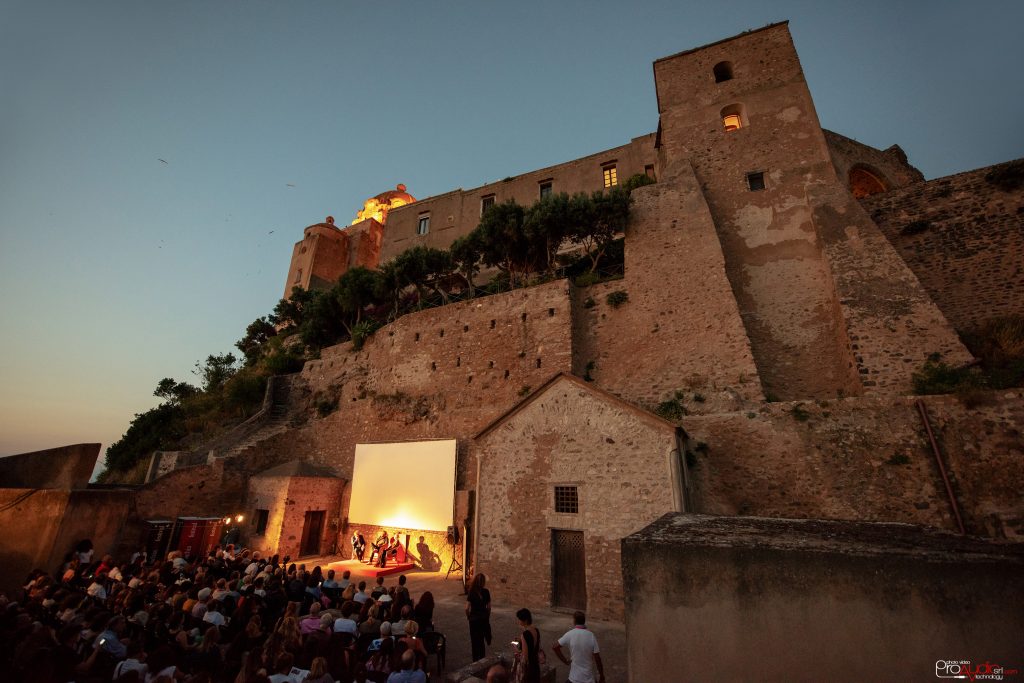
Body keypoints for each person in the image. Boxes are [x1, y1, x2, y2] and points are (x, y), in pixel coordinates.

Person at [553, 611, 604, 683]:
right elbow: (597, 658)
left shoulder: (570, 634)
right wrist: (602, 676)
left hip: (574, 678)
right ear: (584, 621)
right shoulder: (591, 635)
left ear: (574, 621)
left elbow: (555, 647)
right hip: (588, 679)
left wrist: (565, 661)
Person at [465, 573, 491, 661]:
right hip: (483, 619)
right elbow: (489, 607)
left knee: (474, 641)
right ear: (483, 582)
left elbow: (466, 608)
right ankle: (482, 660)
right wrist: (487, 616)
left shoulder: (471, 592)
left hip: (474, 620)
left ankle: (475, 661)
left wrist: (468, 616)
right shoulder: (486, 592)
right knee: (481, 640)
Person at [515, 607, 542, 683]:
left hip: (529, 668)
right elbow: (536, 645)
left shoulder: (524, 635)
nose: (518, 621)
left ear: (525, 620)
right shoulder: (536, 630)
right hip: (535, 664)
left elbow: (525, 657)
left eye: (520, 619)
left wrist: (516, 648)